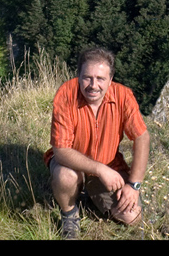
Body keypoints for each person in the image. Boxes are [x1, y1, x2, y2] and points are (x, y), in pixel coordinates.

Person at [44, 46, 150, 239]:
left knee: (132, 217)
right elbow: (61, 150)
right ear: (78, 76)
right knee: (65, 176)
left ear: (110, 79)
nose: (93, 85)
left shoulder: (123, 96)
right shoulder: (66, 95)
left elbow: (142, 137)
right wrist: (101, 170)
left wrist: (133, 185)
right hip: (71, 163)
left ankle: (90, 197)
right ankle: (69, 214)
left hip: (109, 163)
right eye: (87, 77)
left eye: (100, 79)